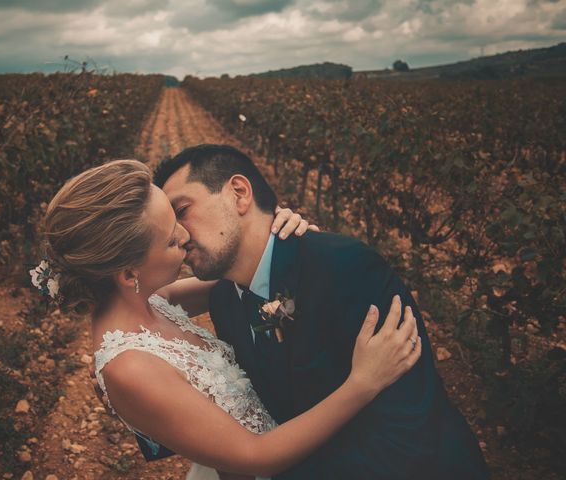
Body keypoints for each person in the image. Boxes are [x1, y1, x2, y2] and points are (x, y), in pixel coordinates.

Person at [33, 158, 421, 480]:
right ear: (129, 273)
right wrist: (362, 383)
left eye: (177, 217)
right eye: (171, 239)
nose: (185, 236)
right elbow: (256, 456)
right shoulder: (129, 367)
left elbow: (247, 276)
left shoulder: (152, 300)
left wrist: (271, 232)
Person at [149, 144, 491, 480]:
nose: (177, 235)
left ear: (239, 193)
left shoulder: (344, 266)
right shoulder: (225, 301)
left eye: (182, 211)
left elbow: (410, 423)